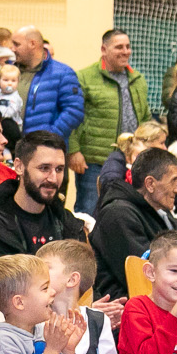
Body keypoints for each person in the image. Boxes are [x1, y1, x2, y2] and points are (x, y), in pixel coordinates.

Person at [90, 146, 177, 301]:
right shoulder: (118, 214)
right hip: (127, 309)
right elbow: (142, 275)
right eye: (174, 181)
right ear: (150, 184)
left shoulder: (164, 216)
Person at [69, 29, 147, 217]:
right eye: (119, 47)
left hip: (131, 161)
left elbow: (145, 118)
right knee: (89, 212)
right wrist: (73, 151)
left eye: (128, 47)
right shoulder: (84, 78)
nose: (125, 51)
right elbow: (73, 116)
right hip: (95, 161)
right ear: (104, 49)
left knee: (126, 213)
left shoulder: (138, 80)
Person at [0, 130, 82, 257]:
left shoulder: (68, 224)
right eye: (44, 168)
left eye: (59, 169)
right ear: (19, 167)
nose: (53, 179)